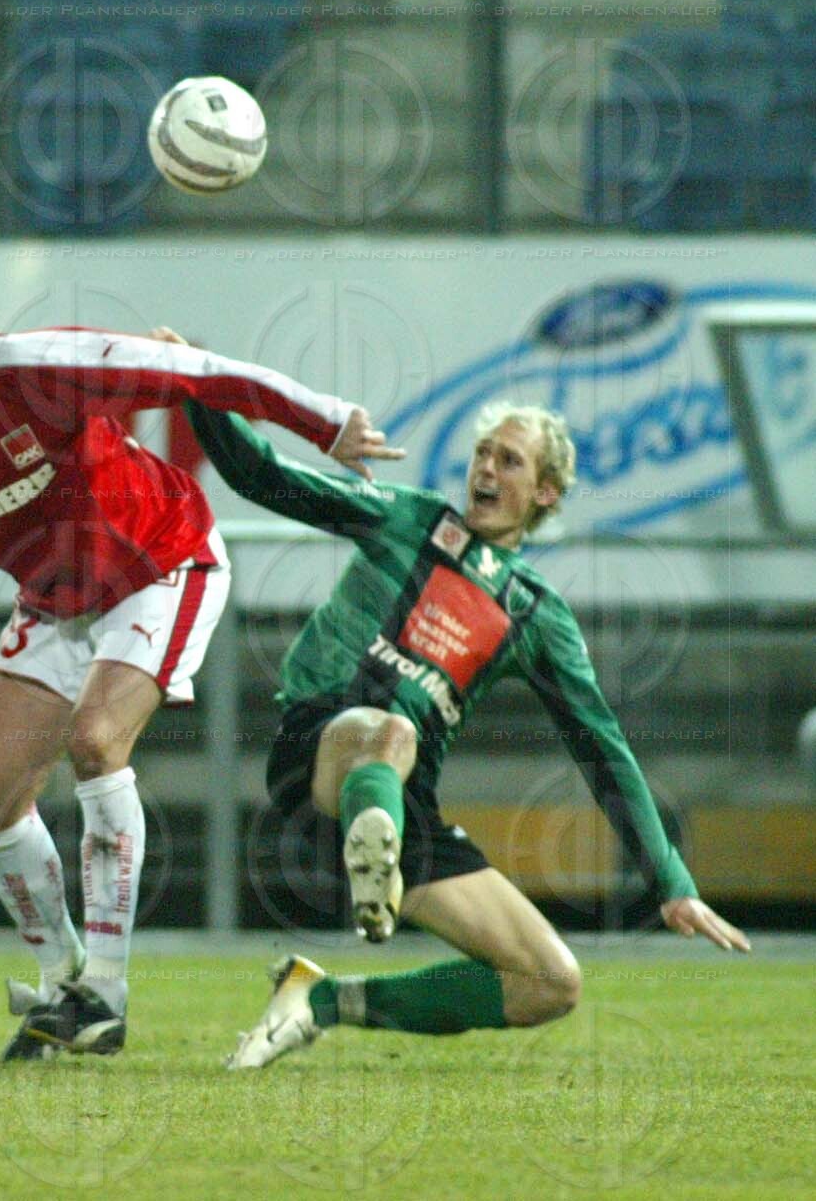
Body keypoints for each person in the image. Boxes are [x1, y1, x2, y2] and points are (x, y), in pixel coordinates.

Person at [0, 249, 401, 1060]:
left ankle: (107, 990)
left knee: (96, 741)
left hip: (163, 561)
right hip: (58, 602)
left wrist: (323, 419)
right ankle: (64, 983)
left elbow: (188, 370)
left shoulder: (26, 370)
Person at [176, 369, 750, 1070]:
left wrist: (672, 884)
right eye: (483, 452)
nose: (485, 466)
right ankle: (372, 862)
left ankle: (320, 1001)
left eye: (509, 460)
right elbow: (266, 478)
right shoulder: (408, 518)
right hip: (320, 752)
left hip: (403, 802)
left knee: (550, 983)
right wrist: (194, 386)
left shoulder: (537, 614)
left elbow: (603, 750)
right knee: (389, 730)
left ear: (544, 493)